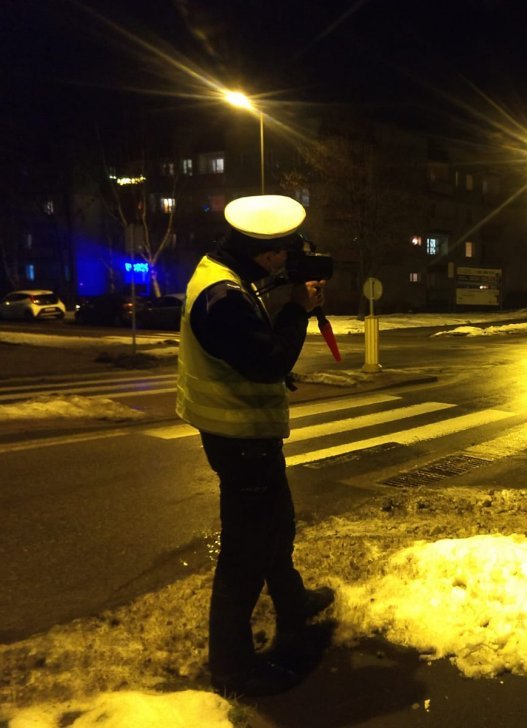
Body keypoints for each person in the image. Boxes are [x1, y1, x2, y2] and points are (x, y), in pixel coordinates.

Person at [176, 194, 333, 696]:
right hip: (239, 438)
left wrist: (284, 295)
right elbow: (269, 362)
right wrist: (298, 310)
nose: (288, 262)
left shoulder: (227, 273)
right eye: (285, 254)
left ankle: (292, 603)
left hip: (251, 435)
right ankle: (233, 665)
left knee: (276, 524)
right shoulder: (222, 297)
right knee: (245, 553)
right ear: (265, 254)